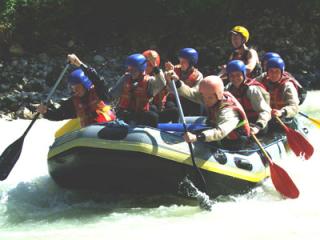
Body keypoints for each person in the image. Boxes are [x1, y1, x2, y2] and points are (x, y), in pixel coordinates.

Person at [37, 54, 116, 127]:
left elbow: (96, 78)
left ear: (85, 84)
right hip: (90, 134)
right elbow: (59, 114)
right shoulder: (74, 102)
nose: (75, 90)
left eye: (78, 87)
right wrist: (45, 112)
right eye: (73, 88)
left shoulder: (100, 92)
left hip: (107, 128)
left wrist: (79, 64)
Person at [171, 75, 250, 146]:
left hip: (232, 141)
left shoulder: (229, 112)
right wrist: (177, 82)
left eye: (209, 98)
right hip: (214, 126)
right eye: (204, 97)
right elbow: (192, 94)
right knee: (182, 120)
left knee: (195, 139)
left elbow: (220, 132)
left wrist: (197, 137)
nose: (206, 101)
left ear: (218, 95)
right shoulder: (210, 94)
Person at [107, 53, 166, 127]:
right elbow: (113, 94)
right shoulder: (125, 78)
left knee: (153, 116)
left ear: (141, 69)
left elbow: (162, 83)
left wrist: (155, 68)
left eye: (134, 69)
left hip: (140, 113)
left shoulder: (149, 81)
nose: (131, 71)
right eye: (129, 68)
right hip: (124, 112)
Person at [225, 60, 271, 135]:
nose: (235, 78)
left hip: (257, 123)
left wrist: (257, 127)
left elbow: (265, 111)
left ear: (244, 74)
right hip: (242, 122)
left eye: (238, 75)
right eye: (232, 75)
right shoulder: (228, 88)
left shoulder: (251, 89)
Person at [143, 50, 179, 123]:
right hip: (148, 109)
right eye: (146, 65)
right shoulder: (139, 75)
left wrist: (172, 72)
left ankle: (174, 130)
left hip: (160, 108)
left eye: (149, 65)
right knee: (152, 108)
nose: (147, 68)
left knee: (174, 109)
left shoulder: (161, 75)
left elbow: (168, 86)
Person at [165, 48, 203, 116]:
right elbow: (167, 87)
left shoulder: (198, 75)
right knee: (171, 108)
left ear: (191, 63)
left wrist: (178, 83)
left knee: (197, 105)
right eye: (180, 61)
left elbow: (195, 94)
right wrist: (168, 74)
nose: (180, 63)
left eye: (184, 62)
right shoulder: (174, 70)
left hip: (188, 101)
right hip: (174, 100)